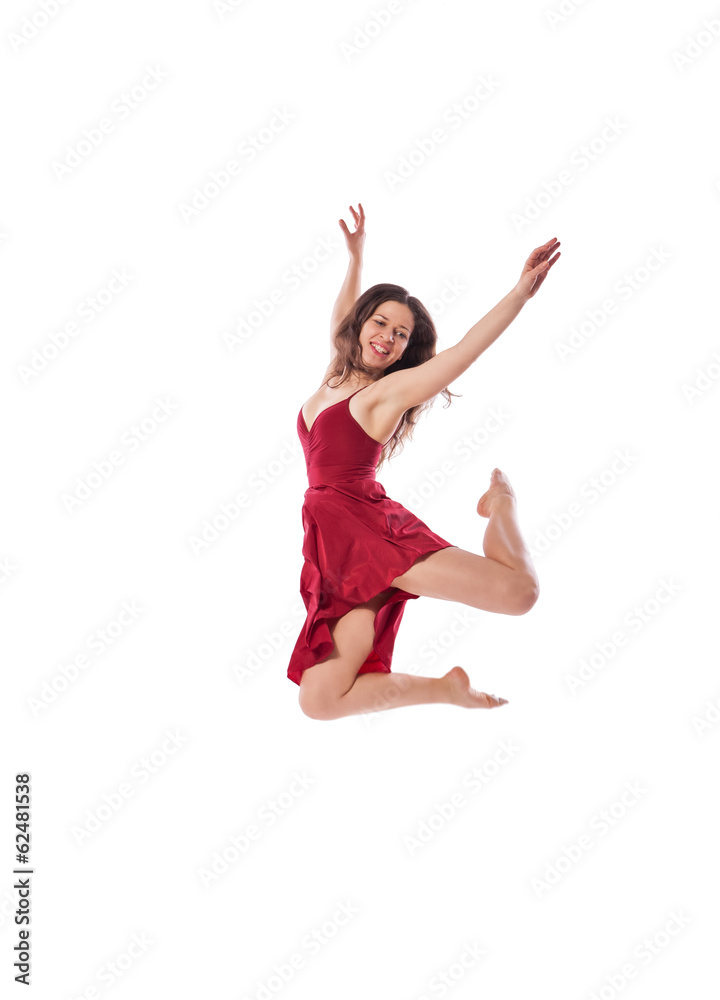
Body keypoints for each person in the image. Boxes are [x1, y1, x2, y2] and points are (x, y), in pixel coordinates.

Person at [288, 202, 560, 721]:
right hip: (337, 547)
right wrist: (356, 256)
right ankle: (445, 690)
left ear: (407, 351)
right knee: (319, 701)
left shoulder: (385, 395)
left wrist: (519, 293)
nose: (386, 337)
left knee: (520, 593)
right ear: (362, 323)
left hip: (373, 532)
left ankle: (501, 504)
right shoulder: (334, 374)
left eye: (401, 335)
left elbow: (461, 353)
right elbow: (344, 313)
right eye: (381, 323)